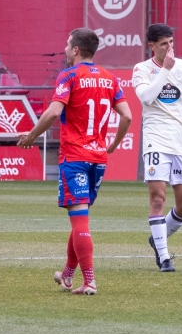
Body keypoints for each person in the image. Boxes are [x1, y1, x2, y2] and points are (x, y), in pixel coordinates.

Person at [18, 28, 132, 295]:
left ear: (76, 49)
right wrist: (113, 145)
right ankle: (68, 274)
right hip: (98, 158)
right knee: (79, 215)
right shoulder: (110, 78)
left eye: (68, 45)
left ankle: (89, 280)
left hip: (75, 156)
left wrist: (32, 135)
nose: (66, 50)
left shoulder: (69, 75)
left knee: (79, 219)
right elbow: (126, 116)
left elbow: (54, 111)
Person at [132, 23, 182, 272]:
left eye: (171, 43)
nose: (169, 48)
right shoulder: (141, 69)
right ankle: (164, 256)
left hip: (181, 141)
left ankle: (157, 238)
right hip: (156, 139)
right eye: (164, 44)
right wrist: (164, 71)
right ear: (152, 46)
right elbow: (146, 98)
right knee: (158, 198)